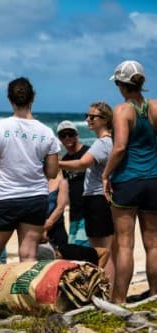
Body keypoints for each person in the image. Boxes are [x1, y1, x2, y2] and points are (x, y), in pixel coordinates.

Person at [0, 77, 60, 288]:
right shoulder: (46, 132)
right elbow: (51, 172)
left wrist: (0, 164)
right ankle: (26, 302)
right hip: (35, 197)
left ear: (10, 99)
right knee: (29, 255)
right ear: (32, 98)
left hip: (4, 197)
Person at [102, 60, 157, 304]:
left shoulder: (122, 110)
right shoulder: (154, 107)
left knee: (124, 244)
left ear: (122, 85)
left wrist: (105, 174)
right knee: (153, 243)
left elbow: (120, 146)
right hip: (153, 180)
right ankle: (155, 296)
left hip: (127, 181)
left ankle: (119, 300)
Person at [58, 102, 115, 282]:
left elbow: (82, 164)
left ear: (104, 120)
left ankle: (109, 291)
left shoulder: (103, 143)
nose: (88, 119)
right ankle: (110, 291)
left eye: (92, 117)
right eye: (87, 116)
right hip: (95, 200)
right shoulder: (106, 142)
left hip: (97, 199)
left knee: (102, 252)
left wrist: (54, 163)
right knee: (103, 250)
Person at [56, 121, 90, 247]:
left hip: (89, 210)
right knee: (73, 247)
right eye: (63, 135)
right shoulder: (65, 160)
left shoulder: (88, 153)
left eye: (70, 134)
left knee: (83, 247)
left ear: (77, 134)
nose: (67, 137)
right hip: (74, 212)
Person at [43, 170, 69, 247]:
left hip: (56, 226)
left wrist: (47, 225)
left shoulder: (61, 181)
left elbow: (60, 207)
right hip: (37, 227)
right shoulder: (36, 180)